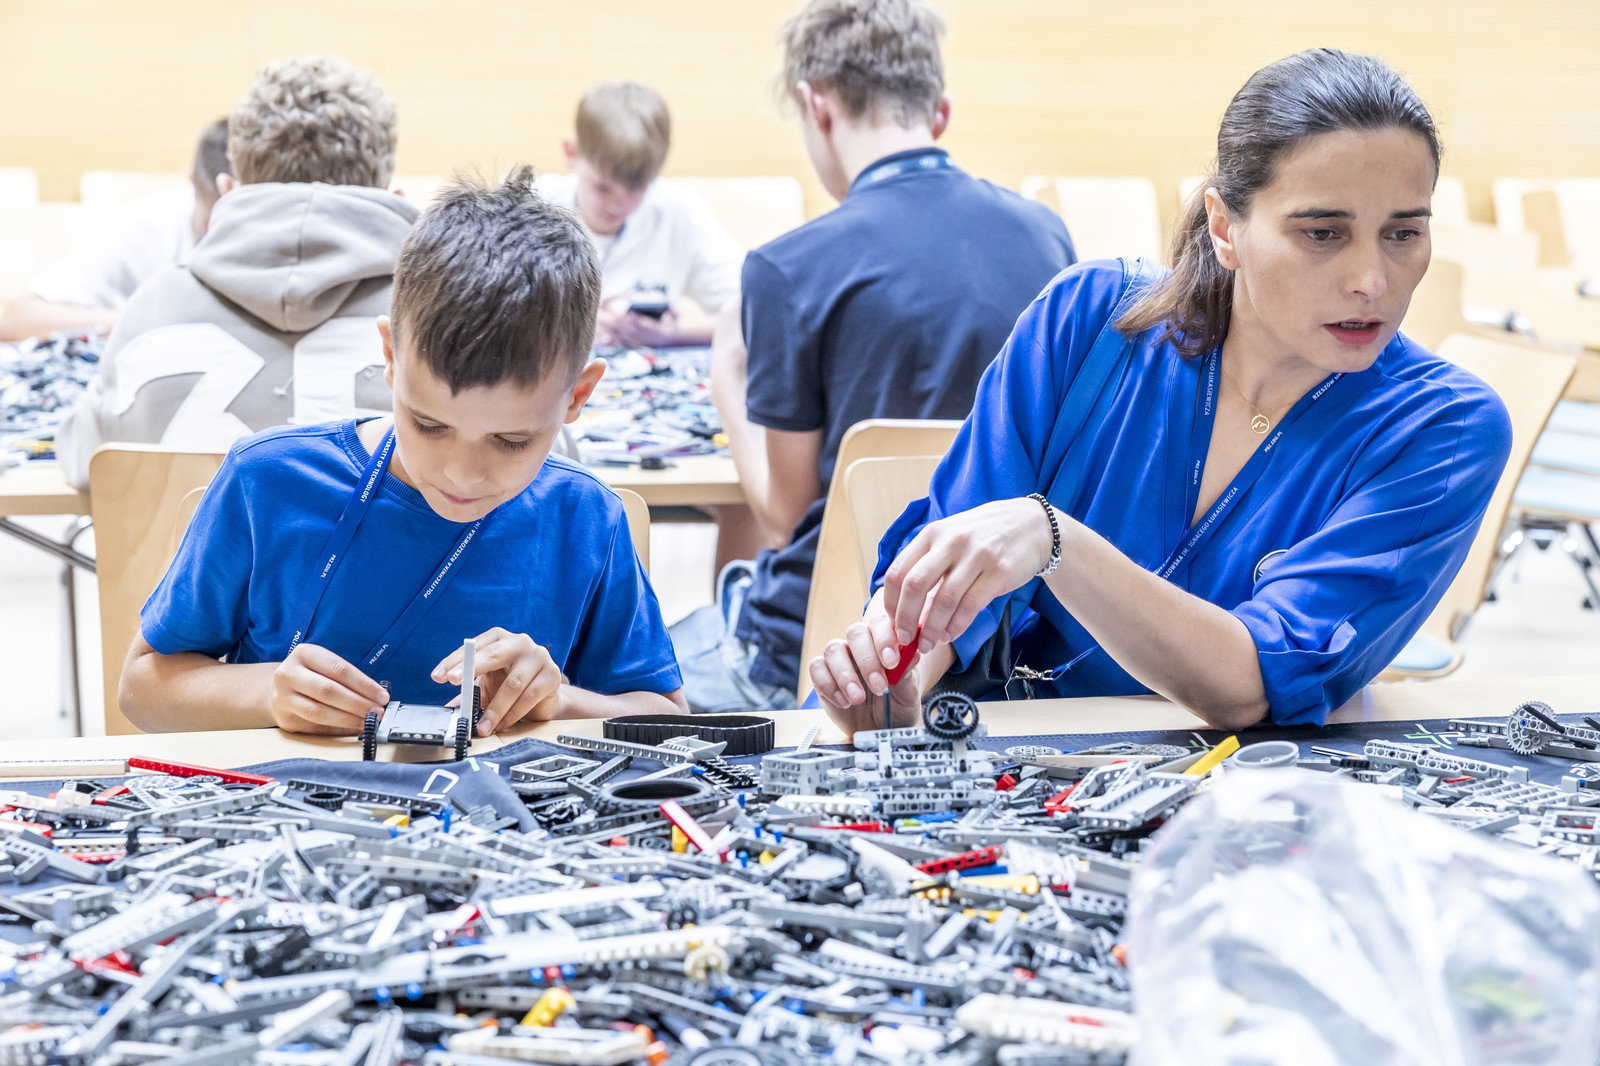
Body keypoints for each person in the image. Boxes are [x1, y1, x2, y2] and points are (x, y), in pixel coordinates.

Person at [808, 49, 1514, 736]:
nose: (1372, 280)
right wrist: (897, 680)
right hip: (984, 757)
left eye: (1403, 233)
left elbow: (1258, 684)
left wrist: (1053, 539)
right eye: (1323, 232)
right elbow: (951, 573)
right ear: (1224, 228)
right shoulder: (1090, 319)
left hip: (1223, 793)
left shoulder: (1444, 430)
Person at [118, 168, 686, 735]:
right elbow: (141, 688)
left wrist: (560, 701)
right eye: (429, 425)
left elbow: (668, 717)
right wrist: (265, 693)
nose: (462, 474)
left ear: (577, 396)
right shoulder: (266, 482)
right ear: (390, 358)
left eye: (511, 440)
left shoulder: (585, 516)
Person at [673, 0, 1076, 712]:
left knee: (625, 677)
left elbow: (787, 517)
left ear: (816, 106)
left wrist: (726, 375)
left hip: (823, 647)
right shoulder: (1049, 238)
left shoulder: (786, 267)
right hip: (1001, 644)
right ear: (939, 113)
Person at [56, 56, 419, 489]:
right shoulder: (439, 317)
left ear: (228, 192)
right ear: (393, 197)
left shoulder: (152, 306)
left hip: (179, 537)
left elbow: (83, 459)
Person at [533, 82, 744, 349]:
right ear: (571, 153)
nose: (616, 206)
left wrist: (674, 334)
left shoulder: (680, 212)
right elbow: (491, 312)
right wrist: (572, 328)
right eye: (603, 187)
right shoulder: (532, 205)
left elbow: (752, 308)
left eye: (636, 189)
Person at [0, 119, 232, 343]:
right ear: (192, 184)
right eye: (212, 227)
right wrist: (158, 324)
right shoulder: (143, 226)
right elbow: (17, 320)